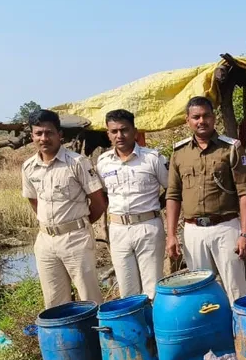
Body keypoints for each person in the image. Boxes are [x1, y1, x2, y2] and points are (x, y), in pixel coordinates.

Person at [165, 96, 246, 302]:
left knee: (236, 287)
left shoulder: (231, 148)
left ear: (214, 118)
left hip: (225, 227)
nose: (201, 121)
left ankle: (240, 332)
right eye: (196, 117)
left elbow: (245, 192)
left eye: (206, 116)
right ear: (188, 120)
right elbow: (173, 195)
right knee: (200, 291)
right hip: (193, 231)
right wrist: (171, 234)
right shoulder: (179, 153)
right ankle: (211, 332)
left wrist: (245, 234)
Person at [21, 109, 106, 308]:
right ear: (32, 136)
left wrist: (79, 223)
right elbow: (34, 201)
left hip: (76, 238)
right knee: (54, 303)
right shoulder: (28, 167)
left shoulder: (77, 163)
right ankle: (66, 340)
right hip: (45, 241)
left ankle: (97, 338)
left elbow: (99, 203)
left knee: (89, 298)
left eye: (49, 132)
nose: (44, 138)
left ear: (59, 134)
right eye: (39, 133)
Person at [97, 109, 168, 299]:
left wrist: (155, 206)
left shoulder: (152, 158)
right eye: (114, 131)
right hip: (118, 229)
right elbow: (103, 194)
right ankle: (135, 329)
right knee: (128, 290)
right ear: (108, 134)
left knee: (153, 288)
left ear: (134, 131)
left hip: (148, 226)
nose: (119, 135)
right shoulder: (103, 162)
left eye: (124, 130)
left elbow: (172, 189)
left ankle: (154, 327)